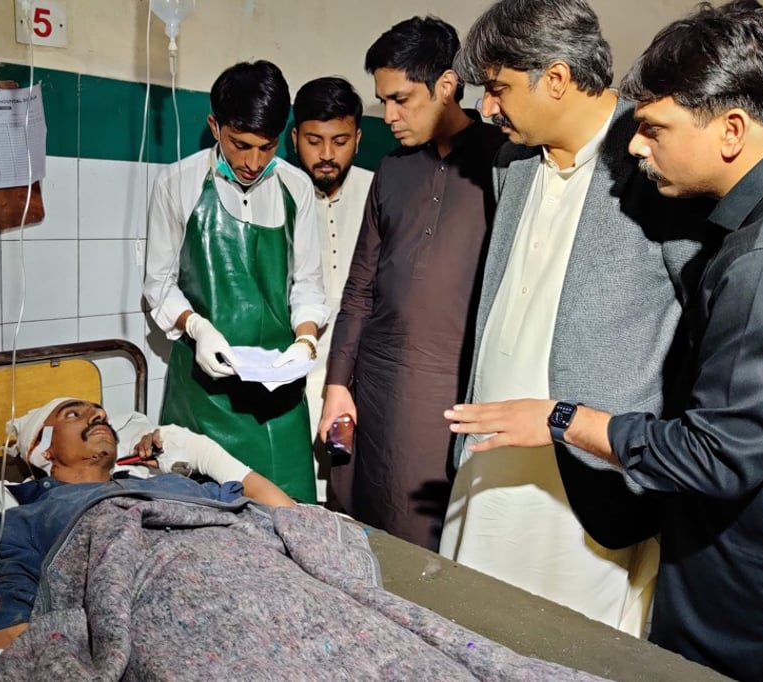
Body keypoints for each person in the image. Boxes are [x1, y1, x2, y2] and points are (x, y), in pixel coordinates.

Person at [447, 1, 763, 678]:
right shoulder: (512, 165)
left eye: (498, 88)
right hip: (517, 451)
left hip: (640, 503)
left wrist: (578, 422)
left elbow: (714, 415)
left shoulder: (738, 231)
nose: (638, 148)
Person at [437, 0, 715, 636]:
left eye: (499, 88)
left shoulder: (655, 161)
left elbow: (702, 328)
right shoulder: (512, 162)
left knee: (558, 644)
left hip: (590, 478)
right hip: (492, 454)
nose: (486, 108)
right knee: (464, 627)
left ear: (555, 79)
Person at [0, 397, 295, 677]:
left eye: (100, 413)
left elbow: (282, 515)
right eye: (74, 415)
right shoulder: (25, 518)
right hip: (177, 614)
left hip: (266, 584)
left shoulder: (169, 483)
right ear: (43, 450)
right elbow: (8, 615)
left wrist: (194, 447)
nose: (98, 417)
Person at [319, 17, 505, 550]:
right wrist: (338, 384)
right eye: (383, 100)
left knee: (428, 539)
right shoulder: (393, 170)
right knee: (359, 528)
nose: (389, 116)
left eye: (400, 99)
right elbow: (360, 288)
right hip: (373, 382)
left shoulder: (503, 163)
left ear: (446, 86)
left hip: (449, 388)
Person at [144, 60, 329, 504]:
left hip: (277, 401)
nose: (253, 162)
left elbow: (307, 284)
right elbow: (159, 284)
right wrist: (198, 328)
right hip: (204, 395)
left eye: (267, 147)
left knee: (292, 521)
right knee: (199, 523)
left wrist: (304, 342)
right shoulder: (178, 184)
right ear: (214, 126)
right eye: (240, 144)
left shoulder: (296, 187)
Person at [290, 76, 374, 502]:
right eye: (313, 140)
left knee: (354, 493)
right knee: (303, 494)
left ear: (358, 138)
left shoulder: (380, 191)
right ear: (293, 137)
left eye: (339, 140)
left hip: (361, 371)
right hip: (296, 371)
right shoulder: (279, 195)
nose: (326, 154)